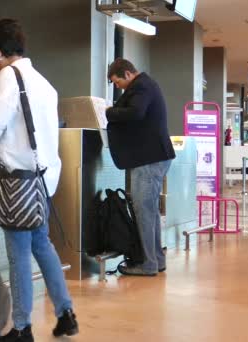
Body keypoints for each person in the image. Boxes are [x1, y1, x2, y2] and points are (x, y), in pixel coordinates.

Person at [0, 18, 78, 342]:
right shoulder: (44, 83)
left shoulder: (8, 76)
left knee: (18, 255)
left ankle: (21, 328)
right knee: (43, 245)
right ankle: (65, 313)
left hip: (17, 184)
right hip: (42, 182)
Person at [105, 58, 175, 276]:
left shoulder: (141, 86)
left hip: (149, 159)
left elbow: (136, 113)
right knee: (150, 211)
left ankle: (148, 263)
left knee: (144, 211)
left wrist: (109, 112)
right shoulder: (146, 85)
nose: (118, 87)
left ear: (127, 74)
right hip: (154, 157)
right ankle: (156, 259)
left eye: (117, 82)